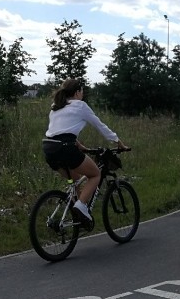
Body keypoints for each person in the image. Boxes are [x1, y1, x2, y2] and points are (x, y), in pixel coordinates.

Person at [42, 78, 129, 226]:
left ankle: (77, 216)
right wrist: (118, 142)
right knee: (95, 174)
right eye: (82, 91)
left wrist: (79, 144)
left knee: (75, 181)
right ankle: (81, 205)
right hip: (66, 149)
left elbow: (59, 130)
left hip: (50, 149)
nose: (82, 94)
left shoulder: (55, 107)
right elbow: (100, 126)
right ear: (77, 93)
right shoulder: (80, 106)